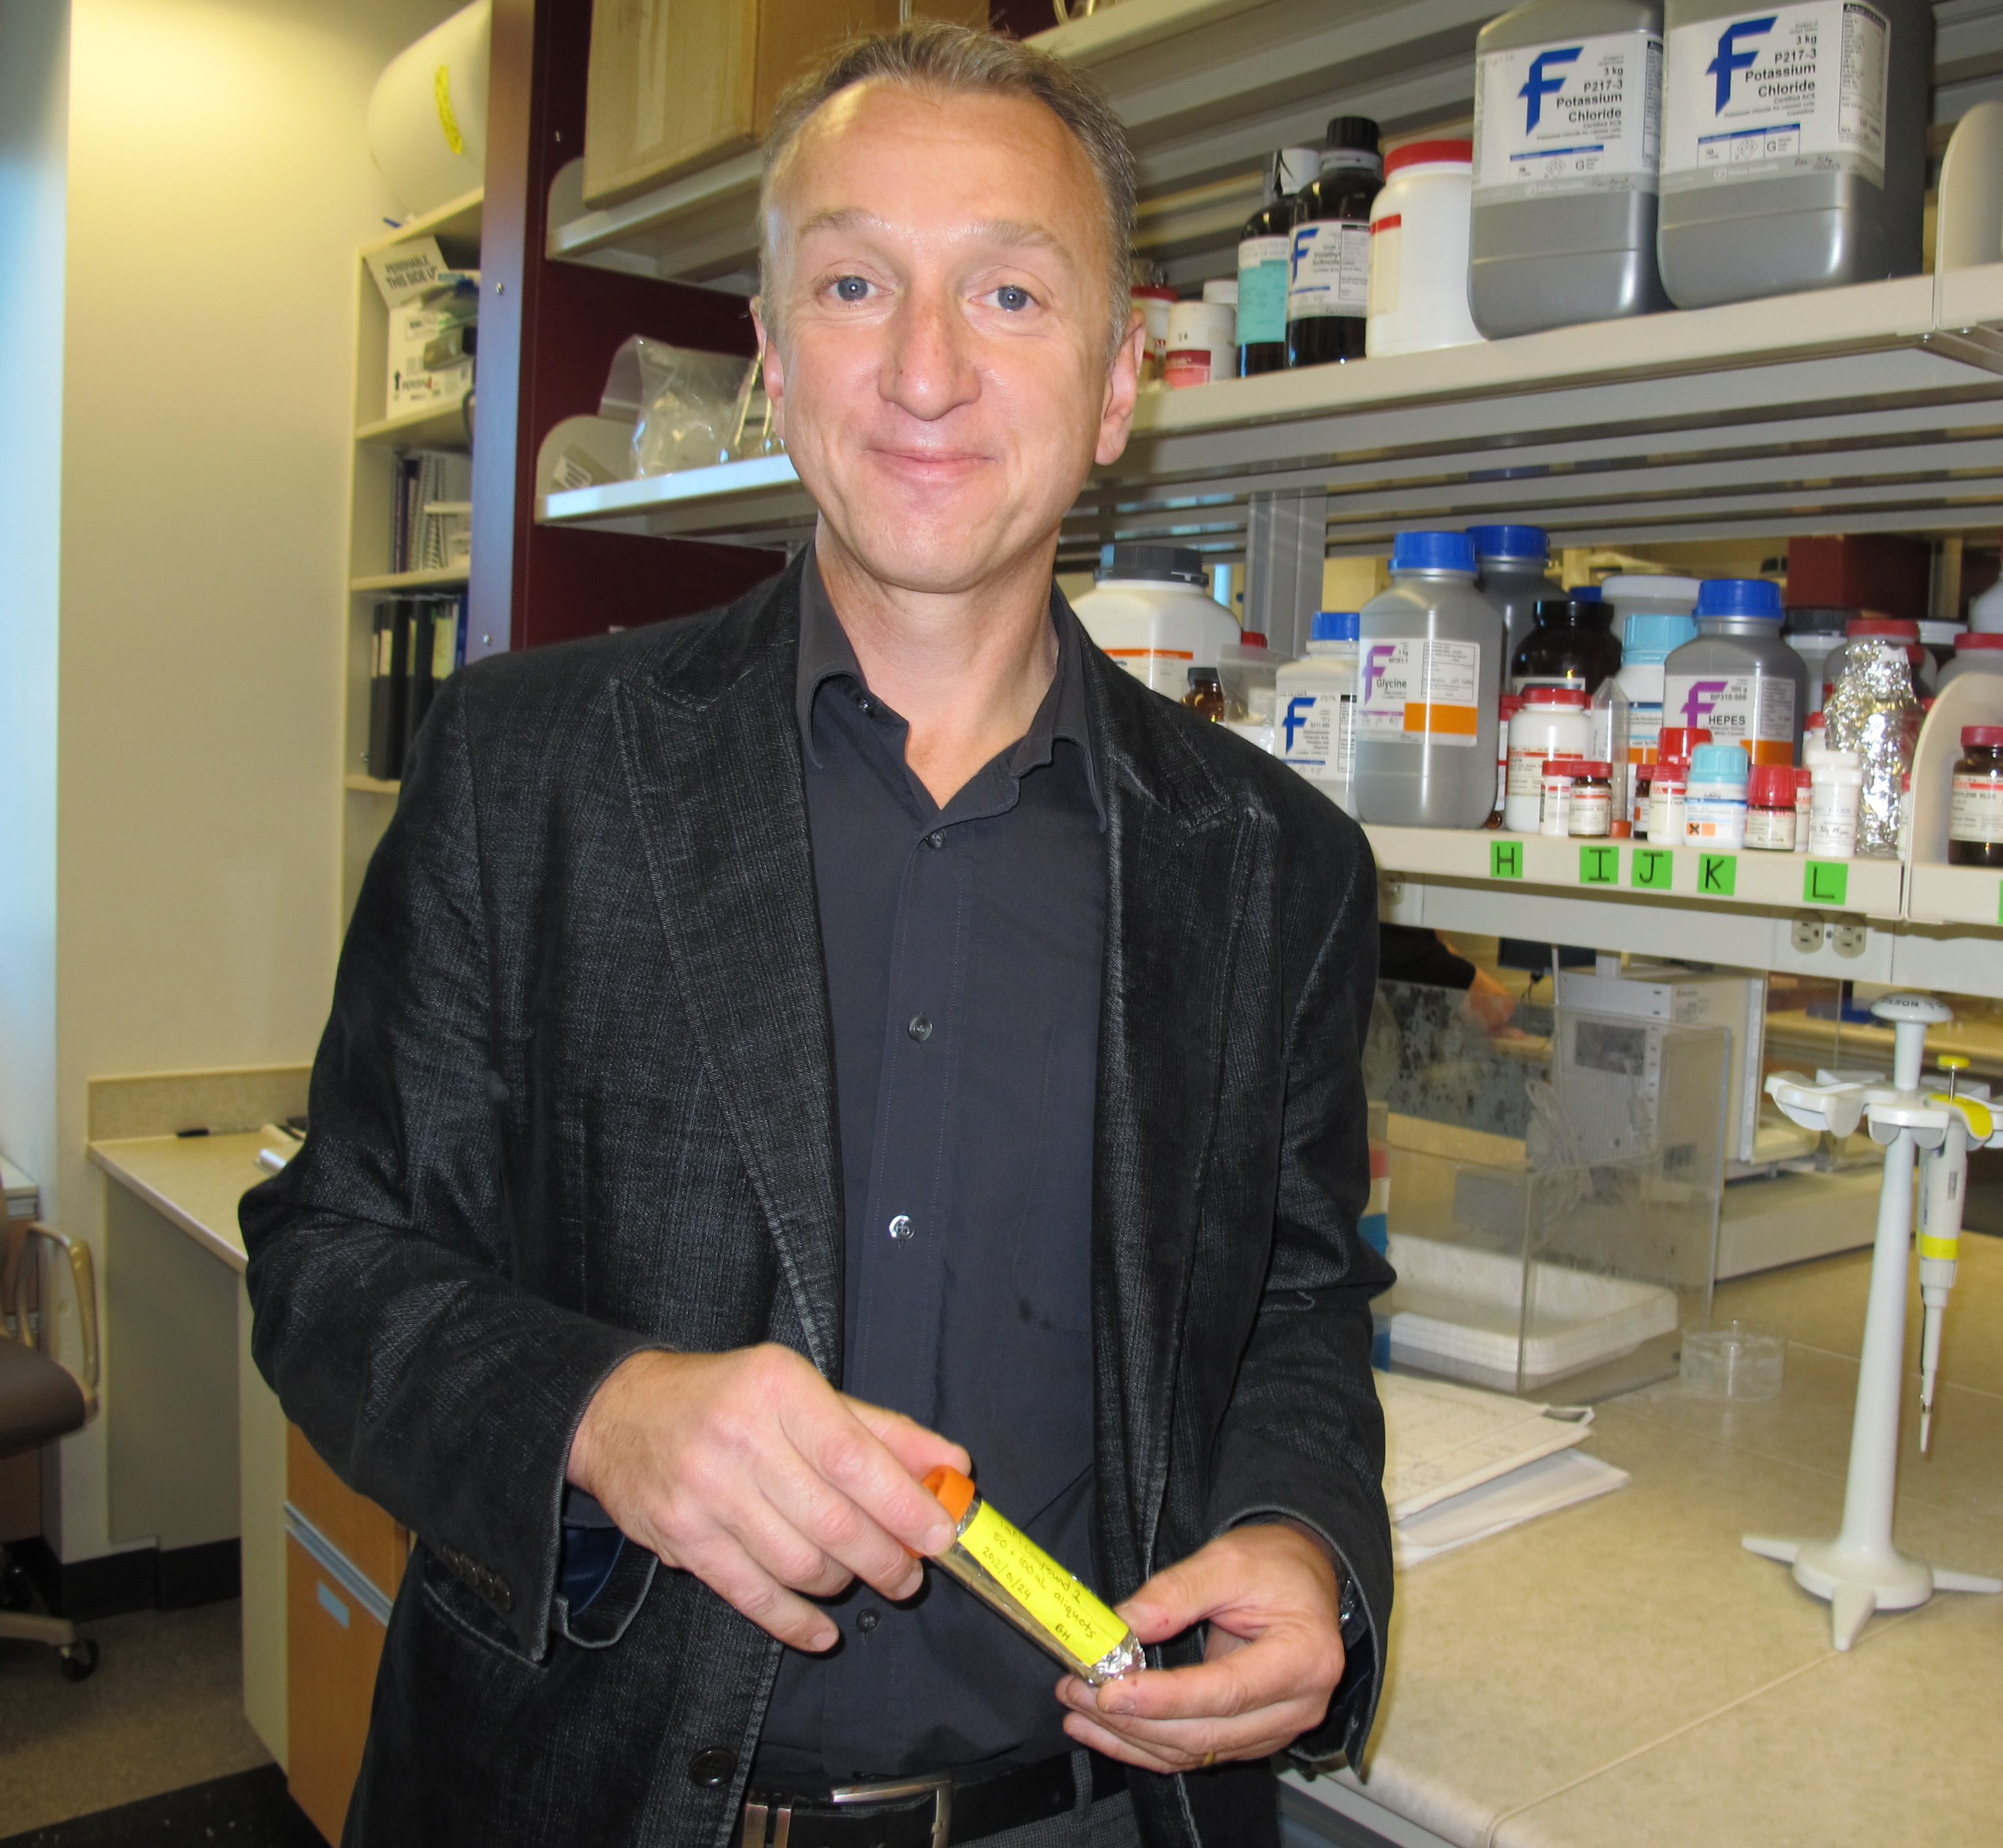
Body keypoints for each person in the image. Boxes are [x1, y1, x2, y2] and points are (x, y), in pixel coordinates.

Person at [242, 25, 1391, 1848]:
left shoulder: (1277, 866)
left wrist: (1303, 1538)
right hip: (579, 1800)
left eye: (1010, 292)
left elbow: (1301, 1306)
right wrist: (601, 1415)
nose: (925, 370)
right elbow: (327, 1260)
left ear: (1119, 382)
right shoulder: (530, 769)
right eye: (858, 284)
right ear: (776, 366)